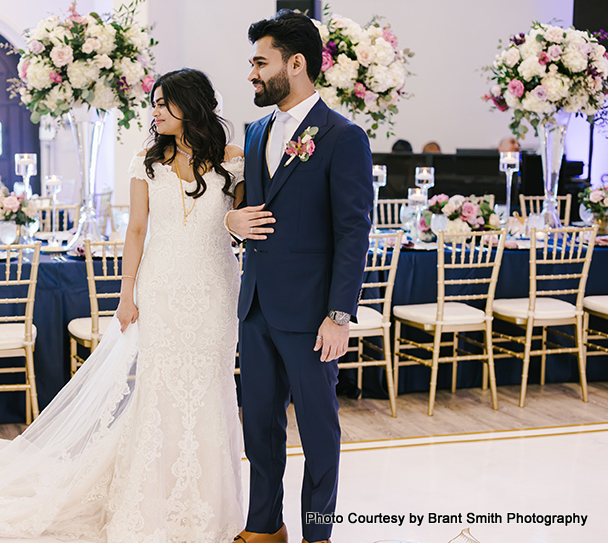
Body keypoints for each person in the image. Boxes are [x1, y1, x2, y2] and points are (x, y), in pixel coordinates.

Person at [0, 68, 247, 542]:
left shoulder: (236, 159)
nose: (155, 111)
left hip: (214, 288)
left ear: (192, 106)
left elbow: (238, 223)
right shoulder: (145, 161)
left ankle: (209, 502)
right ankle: (151, 499)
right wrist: (126, 294)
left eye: (165, 103)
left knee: (210, 389)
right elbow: (136, 232)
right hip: (162, 288)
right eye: (155, 102)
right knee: (162, 390)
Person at [225, 10, 373, 543]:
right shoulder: (256, 129)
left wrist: (339, 314)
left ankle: (317, 533)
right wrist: (233, 220)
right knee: (259, 426)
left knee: (317, 430)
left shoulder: (342, 136)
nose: (252, 75)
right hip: (257, 306)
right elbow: (248, 208)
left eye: (259, 63)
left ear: (296, 63)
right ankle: (265, 526)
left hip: (313, 314)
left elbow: (354, 232)